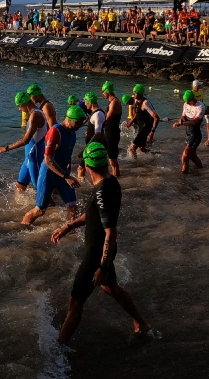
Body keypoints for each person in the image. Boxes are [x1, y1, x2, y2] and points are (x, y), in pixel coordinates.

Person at [51, 142, 154, 346]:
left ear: (88, 167)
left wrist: (103, 266)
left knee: (75, 301)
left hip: (97, 253)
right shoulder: (110, 181)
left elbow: (110, 231)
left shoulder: (101, 193)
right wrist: (68, 227)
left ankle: (58, 348)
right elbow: (93, 214)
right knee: (110, 288)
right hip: (103, 250)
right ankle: (141, 324)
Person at [21, 106, 85, 226]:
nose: (79, 126)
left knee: (72, 208)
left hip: (62, 173)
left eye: (81, 123)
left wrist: (68, 171)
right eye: (78, 122)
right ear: (69, 119)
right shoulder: (55, 132)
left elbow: (66, 154)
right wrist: (67, 176)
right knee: (40, 211)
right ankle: (22, 228)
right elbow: (48, 160)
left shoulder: (72, 133)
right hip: (48, 175)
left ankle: (67, 234)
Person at [0, 92, 47, 194]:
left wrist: (6, 148)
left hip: (34, 158)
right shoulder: (34, 114)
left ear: (25, 103)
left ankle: (54, 208)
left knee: (41, 191)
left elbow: (26, 140)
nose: (19, 109)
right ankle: (18, 209)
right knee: (20, 186)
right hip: (28, 159)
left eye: (19, 106)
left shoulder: (36, 115)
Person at [172, 90, 204, 174]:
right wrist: (180, 121)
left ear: (192, 99)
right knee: (192, 156)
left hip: (195, 134)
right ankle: (201, 170)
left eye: (188, 102)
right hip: (188, 133)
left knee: (185, 156)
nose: (186, 103)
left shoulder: (200, 107)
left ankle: (183, 177)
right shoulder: (186, 104)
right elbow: (183, 116)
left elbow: (194, 123)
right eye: (185, 102)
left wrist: (181, 124)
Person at [127, 84, 158, 157]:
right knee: (141, 149)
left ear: (139, 93)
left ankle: (135, 164)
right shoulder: (136, 101)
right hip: (141, 127)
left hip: (145, 128)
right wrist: (132, 121)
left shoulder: (145, 103)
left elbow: (156, 118)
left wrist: (152, 132)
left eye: (134, 93)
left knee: (132, 148)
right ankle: (156, 155)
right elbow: (137, 113)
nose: (133, 94)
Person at [100, 82, 123, 176]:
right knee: (104, 156)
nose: (102, 93)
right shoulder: (112, 102)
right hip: (108, 133)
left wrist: (97, 127)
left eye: (103, 91)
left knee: (112, 160)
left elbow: (107, 118)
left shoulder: (115, 102)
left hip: (112, 134)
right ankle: (107, 175)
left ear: (107, 91)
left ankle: (116, 179)